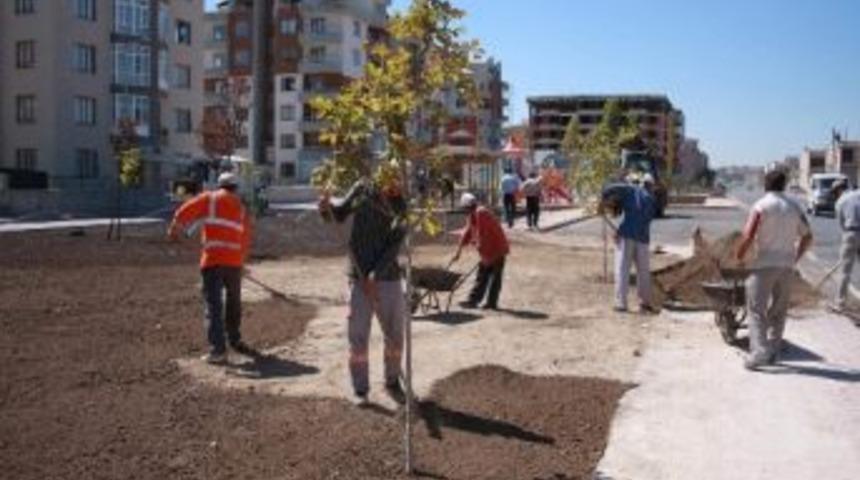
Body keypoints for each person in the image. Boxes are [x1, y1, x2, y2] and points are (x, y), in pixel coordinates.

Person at [318, 179, 407, 404]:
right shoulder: (362, 189)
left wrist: (375, 274)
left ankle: (393, 380)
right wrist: (325, 208)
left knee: (395, 336)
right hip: (358, 278)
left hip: (388, 279)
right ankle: (361, 390)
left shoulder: (401, 206)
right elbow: (339, 214)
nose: (395, 183)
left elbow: (395, 244)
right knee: (358, 339)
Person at [167, 172, 253, 365]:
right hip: (233, 263)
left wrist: (175, 226)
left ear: (219, 185)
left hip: (213, 260)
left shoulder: (210, 198)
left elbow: (186, 210)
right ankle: (235, 339)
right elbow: (246, 238)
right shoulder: (241, 208)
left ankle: (218, 351)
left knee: (214, 305)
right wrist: (242, 262)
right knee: (233, 303)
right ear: (236, 188)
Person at [736, 169, 813, 371]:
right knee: (779, 310)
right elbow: (808, 236)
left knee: (756, 310)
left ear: (766, 185)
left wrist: (739, 256)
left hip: (763, 265)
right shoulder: (795, 207)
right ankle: (773, 351)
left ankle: (758, 352)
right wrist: (796, 257)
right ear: (784, 185)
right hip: (786, 266)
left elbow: (748, 235)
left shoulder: (761, 206)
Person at [600, 175, 658, 313]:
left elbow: (610, 188)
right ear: (651, 186)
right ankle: (644, 303)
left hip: (627, 236)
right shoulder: (651, 200)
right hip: (643, 239)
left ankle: (621, 303)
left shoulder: (631, 189)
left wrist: (602, 197)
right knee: (643, 272)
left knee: (622, 269)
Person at [452, 192, 510, 309]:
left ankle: (491, 303)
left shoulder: (481, 213)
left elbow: (483, 235)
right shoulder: (472, 215)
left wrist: (485, 256)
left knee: (494, 277)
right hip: (487, 249)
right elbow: (467, 233)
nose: (465, 211)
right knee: (482, 275)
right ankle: (473, 300)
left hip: (497, 248)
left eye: (465, 208)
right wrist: (458, 251)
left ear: (468, 206)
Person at [831, 179, 858, 311]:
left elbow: (842, 225)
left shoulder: (840, 202)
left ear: (838, 190)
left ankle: (840, 303)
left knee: (844, 272)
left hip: (851, 233)